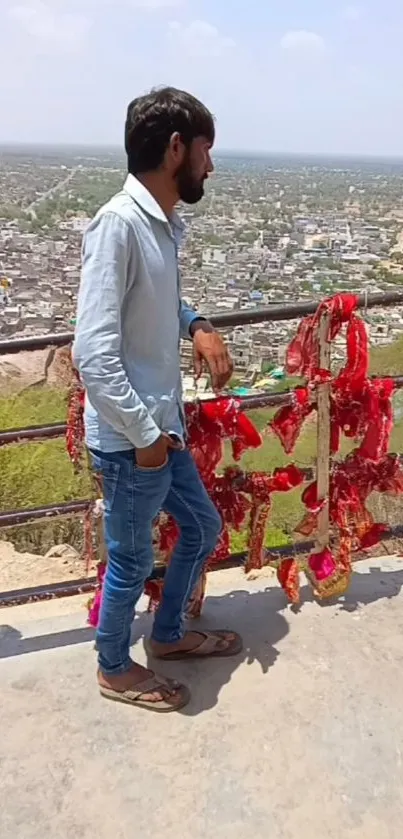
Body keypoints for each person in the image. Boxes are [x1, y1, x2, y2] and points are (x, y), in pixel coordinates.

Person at [73, 87, 242, 713]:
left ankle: (166, 637)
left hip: (157, 431)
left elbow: (157, 304)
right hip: (130, 440)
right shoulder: (118, 226)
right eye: (205, 150)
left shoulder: (162, 225)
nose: (209, 166)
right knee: (130, 558)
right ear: (177, 148)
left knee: (201, 527)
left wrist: (195, 321)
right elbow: (92, 352)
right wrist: (144, 438)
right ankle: (114, 668)